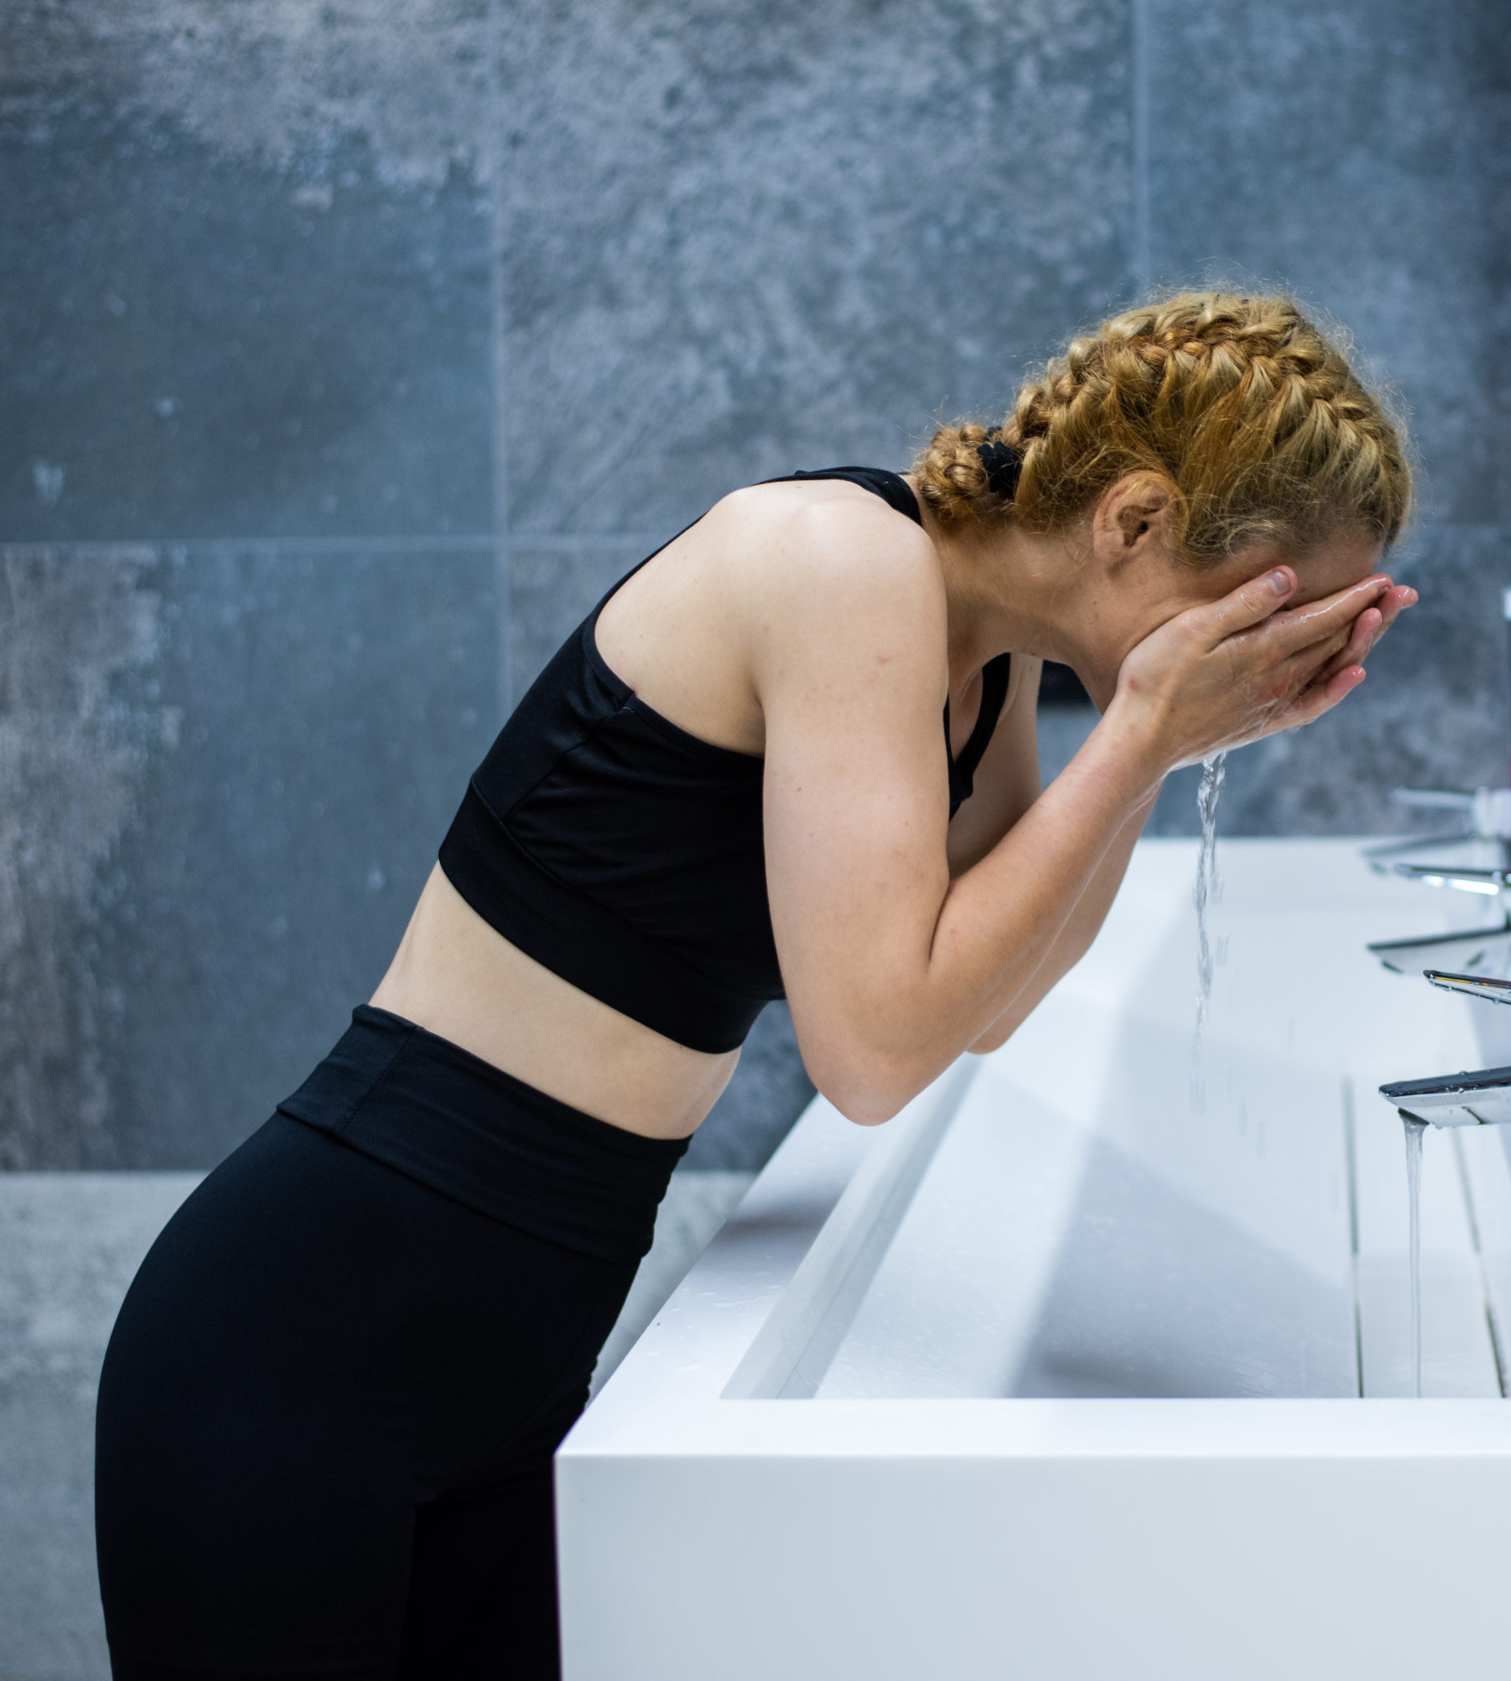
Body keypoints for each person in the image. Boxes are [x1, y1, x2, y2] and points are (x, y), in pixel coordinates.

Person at [93, 291, 1418, 1679]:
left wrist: (1157, 740)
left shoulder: (992, 662)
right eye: (1273, 603)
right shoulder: (839, 564)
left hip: (504, 1357)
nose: (1281, 648)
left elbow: (995, 999)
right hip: (303, 1336)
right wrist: (1145, 725)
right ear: (1137, 521)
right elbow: (873, 1051)